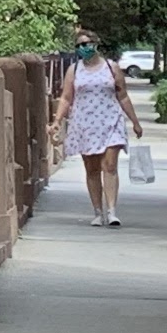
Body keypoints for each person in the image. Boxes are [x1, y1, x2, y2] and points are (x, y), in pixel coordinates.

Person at [56, 35, 139, 225]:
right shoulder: (74, 70)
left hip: (111, 121)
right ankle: (97, 212)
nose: (83, 48)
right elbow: (66, 98)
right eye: (79, 45)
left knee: (109, 165)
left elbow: (123, 96)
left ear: (95, 44)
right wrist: (57, 121)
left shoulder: (111, 67)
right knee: (92, 169)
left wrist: (135, 122)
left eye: (86, 44)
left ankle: (112, 211)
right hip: (85, 124)